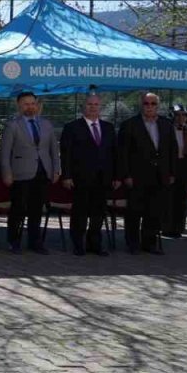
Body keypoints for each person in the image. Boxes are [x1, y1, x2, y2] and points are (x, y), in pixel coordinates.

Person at [0, 91, 60, 254]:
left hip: (42, 173)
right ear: (19, 105)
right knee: (18, 209)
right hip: (20, 174)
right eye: (26, 104)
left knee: (36, 210)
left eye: (33, 104)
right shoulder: (12, 126)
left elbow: (54, 149)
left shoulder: (46, 125)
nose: (30, 107)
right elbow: (5, 153)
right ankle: (14, 241)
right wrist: (7, 173)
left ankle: (35, 242)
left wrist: (56, 169)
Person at [117, 92, 177, 254]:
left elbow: (172, 150)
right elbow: (123, 153)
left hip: (160, 175)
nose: (149, 106)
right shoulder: (129, 125)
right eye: (146, 103)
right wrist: (126, 175)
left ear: (158, 106)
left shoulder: (166, 124)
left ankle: (149, 244)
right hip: (137, 176)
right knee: (134, 212)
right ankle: (133, 244)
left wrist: (171, 172)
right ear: (141, 105)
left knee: (154, 211)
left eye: (153, 104)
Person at [57, 94, 116, 256]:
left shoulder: (108, 127)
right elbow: (66, 153)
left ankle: (95, 244)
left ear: (100, 107)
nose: (93, 107)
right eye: (90, 104)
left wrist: (116, 176)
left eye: (96, 104)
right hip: (80, 178)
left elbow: (114, 154)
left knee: (98, 214)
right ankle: (78, 244)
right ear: (84, 106)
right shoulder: (72, 127)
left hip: (103, 178)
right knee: (80, 213)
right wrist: (67, 176)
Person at [164, 105, 187, 238]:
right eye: (178, 114)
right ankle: (166, 227)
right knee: (168, 197)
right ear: (172, 116)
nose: (181, 117)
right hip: (170, 166)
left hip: (184, 167)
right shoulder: (166, 130)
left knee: (181, 199)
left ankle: (178, 228)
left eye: (184, 115)